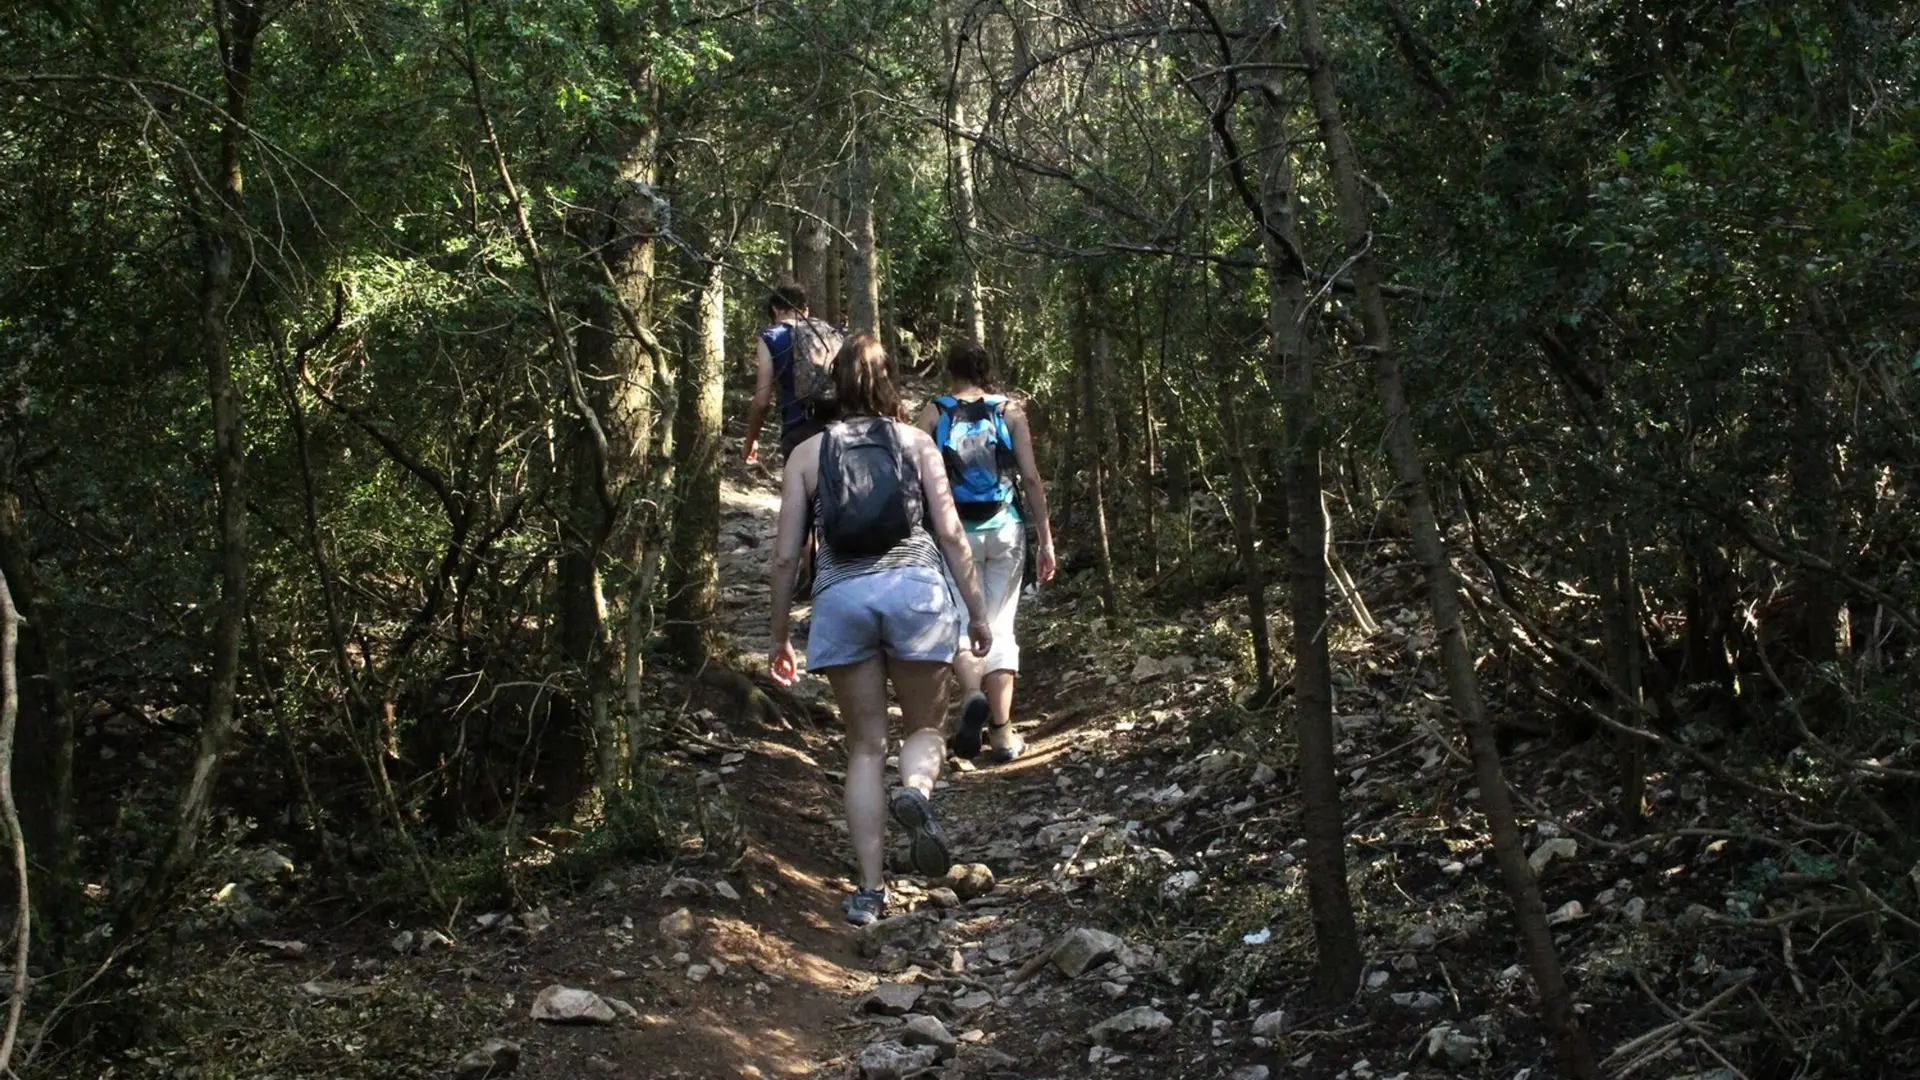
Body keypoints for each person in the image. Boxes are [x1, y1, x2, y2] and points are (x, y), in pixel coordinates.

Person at [768, 332, 993, 927]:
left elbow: (786, 557)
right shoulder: (917, 442)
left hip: (842, 599)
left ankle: (869, 891)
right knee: (925, 727)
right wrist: (976, 612)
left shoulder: (806, 454)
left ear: (835, 384)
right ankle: (915, 791)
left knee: (865, 748)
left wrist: (778, 636)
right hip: (916, 593)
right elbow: (952, 535)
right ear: (889, 379)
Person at [917, 340, 1055, 765]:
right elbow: (1030, 477)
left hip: (954, 531)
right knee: (1000, 626)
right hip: (1005, 527)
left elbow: (915, 476)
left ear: (950, 372)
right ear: (985, 371)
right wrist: (1046, 539)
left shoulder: (933, 412)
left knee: (963, 621)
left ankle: (972, 694)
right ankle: (1002, 732)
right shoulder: (1009, 411)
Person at [743, 283, 842, 466]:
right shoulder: (832, 333)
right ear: (806, 310)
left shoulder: (771, 337)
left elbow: (762, 401)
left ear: (775, 310)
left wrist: (751, 440)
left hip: (798, 428)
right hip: (841, 428)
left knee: (799, 482)